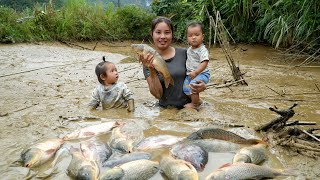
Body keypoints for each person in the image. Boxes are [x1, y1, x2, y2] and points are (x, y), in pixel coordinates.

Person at [140, 16, 206, 109]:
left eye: (167, 32)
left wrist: (202, 86)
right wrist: (151, 69)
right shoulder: (148, 61)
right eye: (158, 32)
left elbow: (201, 73)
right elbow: (157, 95)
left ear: (172, 34)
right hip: (166, 112)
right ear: (152, 34)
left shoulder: (185, 53)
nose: (162, 36)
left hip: (190, 109)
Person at [183, 22, 210, 109]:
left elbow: (205, 62)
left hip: (202, 74)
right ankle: (197, 101)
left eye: (197, 35)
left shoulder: (202, 50)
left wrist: (196, 72)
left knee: (193, 85)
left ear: (202, 36)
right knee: (186, 87)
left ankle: (194, 105)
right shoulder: (189, 49)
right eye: (190, 36)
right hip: (192, 74)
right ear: (187, 38)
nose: (193, 37)